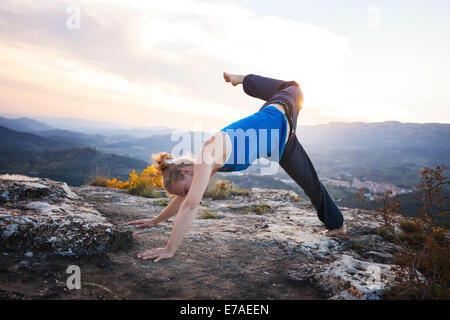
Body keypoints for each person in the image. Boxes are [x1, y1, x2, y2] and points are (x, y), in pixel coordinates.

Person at [127, 72, 346, 262]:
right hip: (283, 143)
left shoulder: (207, 155)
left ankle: (242, 79)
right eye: (184, 191)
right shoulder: (208, 167)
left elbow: (190, 205)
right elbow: (185, 199)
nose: (188, 192)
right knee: (310, 183)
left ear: (185, 171)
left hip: (283, 108)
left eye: (184, 188)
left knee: (292, 86)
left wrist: (169, 249)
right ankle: (338, 226)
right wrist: (155, 220)